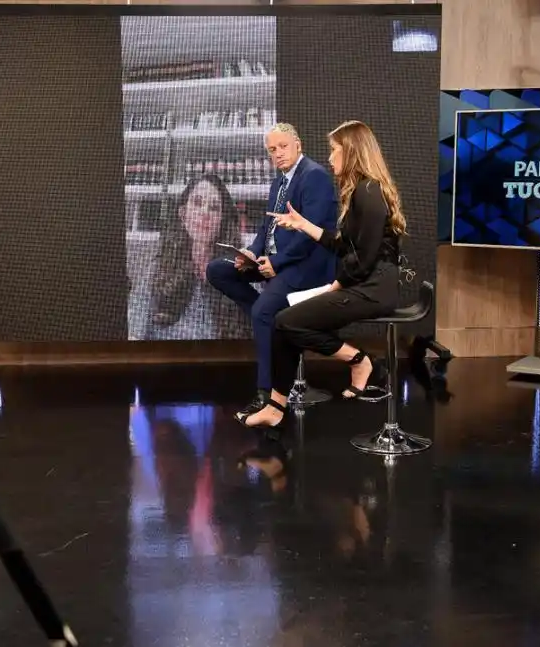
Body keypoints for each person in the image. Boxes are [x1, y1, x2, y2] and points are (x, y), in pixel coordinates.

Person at [237, 120, 405, 429]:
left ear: (351, 152)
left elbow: (363, 261)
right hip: (362, 283)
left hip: (373, 289)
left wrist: (334, 286)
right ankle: (275, 407)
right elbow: (342, 245)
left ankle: (359, 360)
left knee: (286, 321)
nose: (329, 157)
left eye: (334, 150)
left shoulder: (369, 192)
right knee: (284, 321)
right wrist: (304, 225)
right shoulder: (360, 191)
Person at [205, 123, 338, 417]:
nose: (277, 154)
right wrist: (252, 253)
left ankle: (266, 394)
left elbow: (310, 234)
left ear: (298, 144)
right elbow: (267, 228)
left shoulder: (314, 176)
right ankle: (275, 321)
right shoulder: (279, 181)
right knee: (217, 270)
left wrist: (276, 264)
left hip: (305, 267)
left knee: (262, 311)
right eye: (272, 150)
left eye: (282, 147)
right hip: (275, 262)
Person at [145, 175, 250, 340]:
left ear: (222, 221)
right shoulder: (156, 271)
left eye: (214, 208)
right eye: (197, 202)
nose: (205, 213)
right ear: (183, 213)